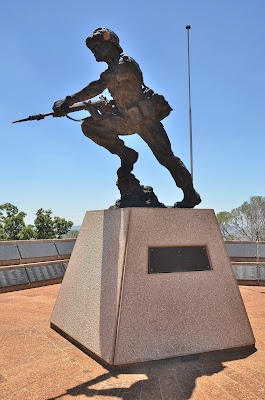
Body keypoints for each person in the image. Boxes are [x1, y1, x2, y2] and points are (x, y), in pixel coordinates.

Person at [53, 27, 201, 208]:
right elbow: (116, 97)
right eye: (93, 49)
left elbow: (97, 87)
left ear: (112, 45)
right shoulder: (113, 69)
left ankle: (190, 194)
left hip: (145, 119)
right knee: (90, 126)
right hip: (126, 120)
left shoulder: (125, 64)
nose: (94, 53)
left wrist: (68, 102)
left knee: (166, 157)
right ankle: (126, 154)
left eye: (98, 47)